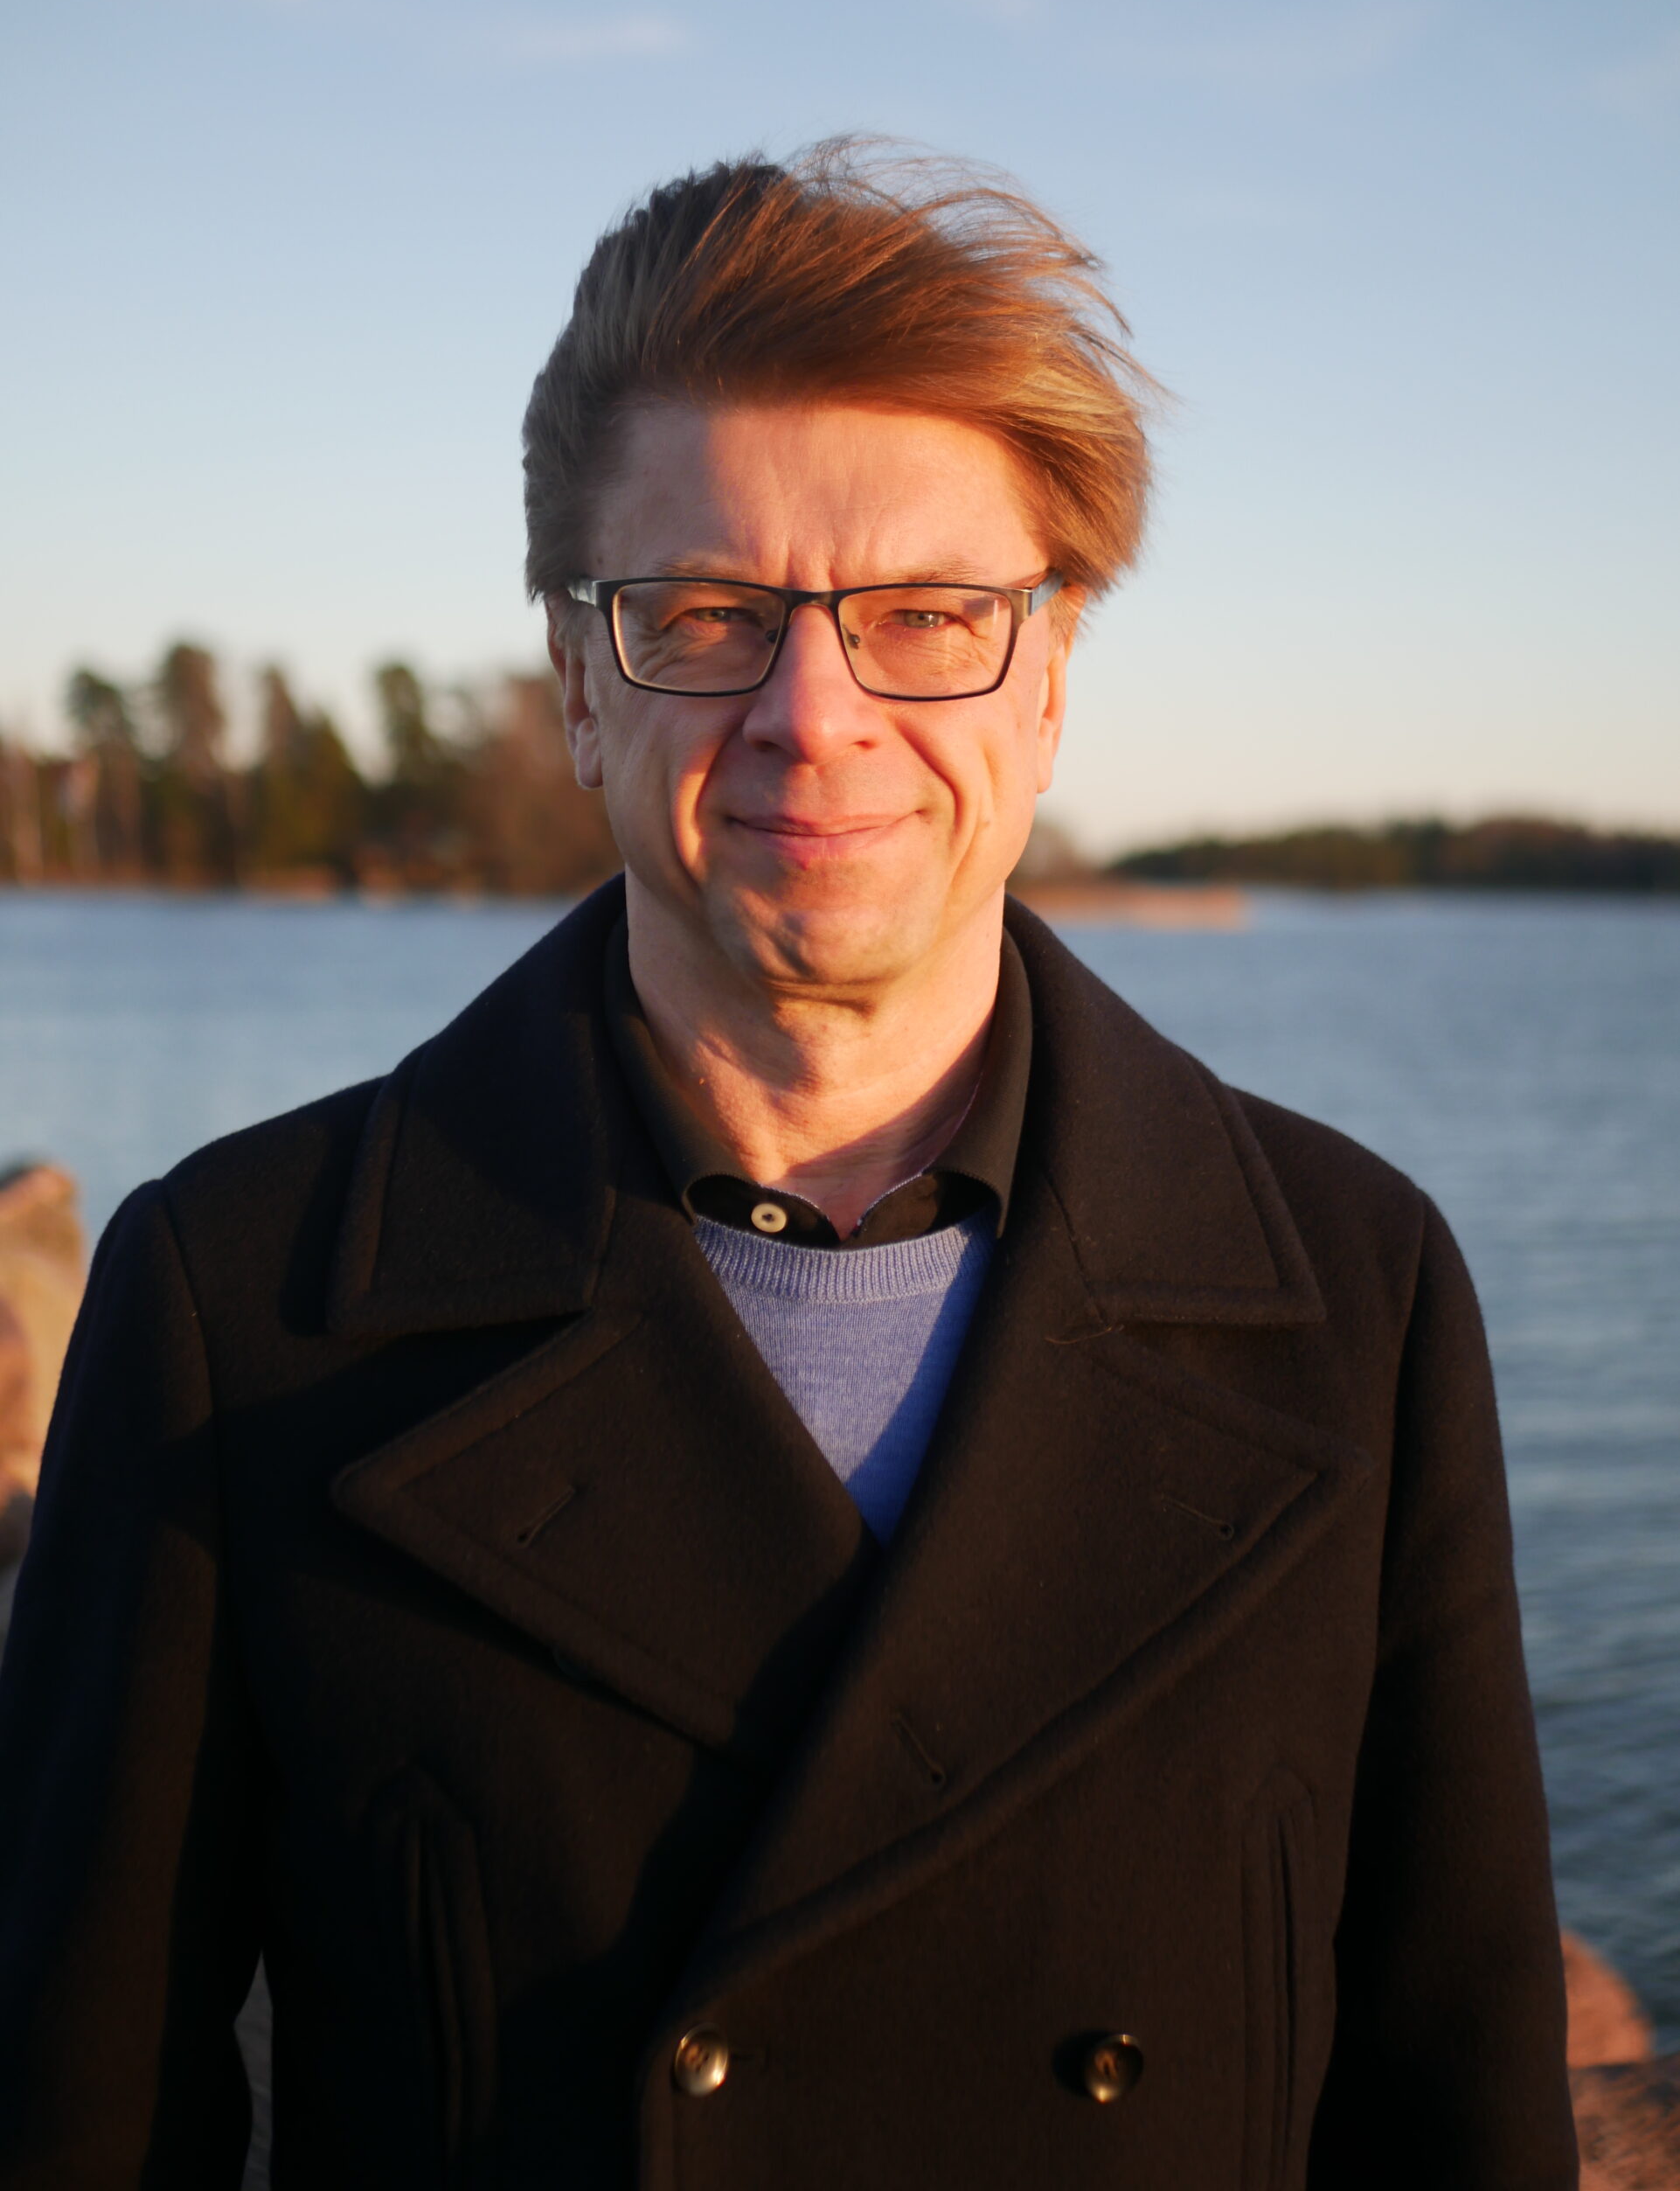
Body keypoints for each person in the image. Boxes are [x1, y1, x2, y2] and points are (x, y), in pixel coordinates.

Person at [0, 145, 1577, 2190]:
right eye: (708, 615)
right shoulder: (245, 1302)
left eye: (927, 615)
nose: (813, 715)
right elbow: (79, 2113)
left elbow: (1457, 2106)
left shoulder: (1355, 1292)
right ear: (580, 678)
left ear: (1050, 675)